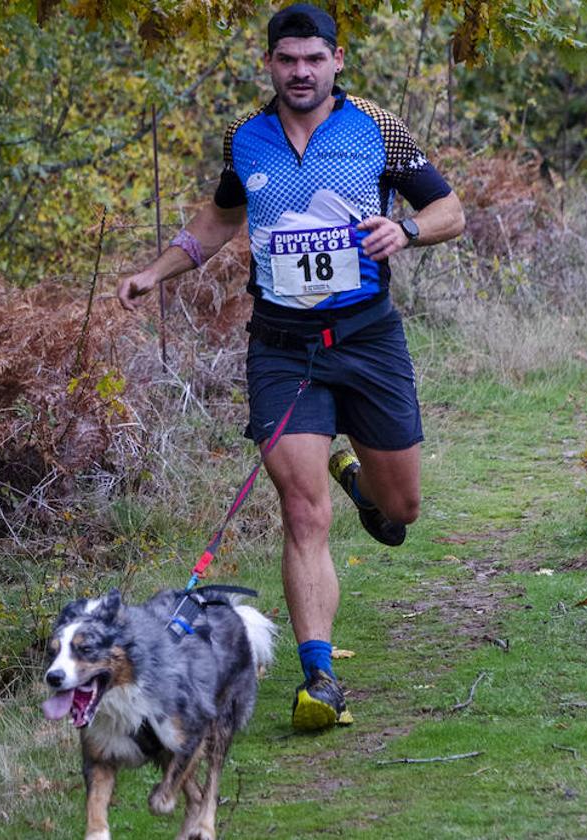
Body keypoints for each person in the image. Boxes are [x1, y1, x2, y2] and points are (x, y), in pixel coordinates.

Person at [116, 3, 465, 731]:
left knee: (399, 512)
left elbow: (451, 211)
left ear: (337, 60)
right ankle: (320, 679)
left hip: (368, 339)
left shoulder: (378, 127)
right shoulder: (246, 138)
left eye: (314, 59)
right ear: (270, 64)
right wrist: (157, 272)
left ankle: (360, 483)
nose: (300, 72)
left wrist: (403, 228)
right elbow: (219, 218)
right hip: (282, 348)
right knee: (303, 513)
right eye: (287, 60)